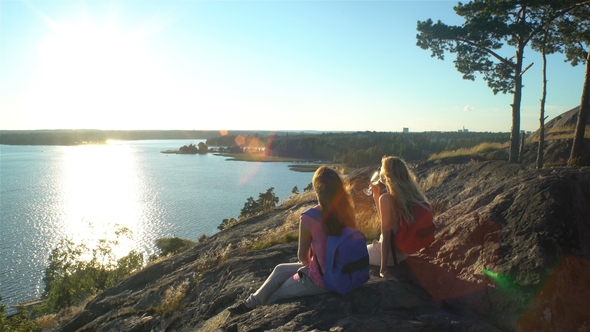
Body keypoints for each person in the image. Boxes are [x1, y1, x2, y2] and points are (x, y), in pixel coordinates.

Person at [228, 166, 357, 314]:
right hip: (346, 273)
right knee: (279, 270)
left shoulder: (310, 217)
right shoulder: (347, 211)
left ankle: (253, 312)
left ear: (317, 189)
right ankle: (249, 304)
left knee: (275, 295)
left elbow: (303, 258)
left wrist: (310, 267)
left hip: (324, 280)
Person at [366, 156, 430, 280]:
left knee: (347, 251)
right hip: (402, 254)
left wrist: (383, 270)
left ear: (387, 175)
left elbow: (386, 235)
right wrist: (376, 195)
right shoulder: (412, 196)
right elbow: (389, 224)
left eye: (382, 171)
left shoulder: (387, 199)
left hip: (387, 255)